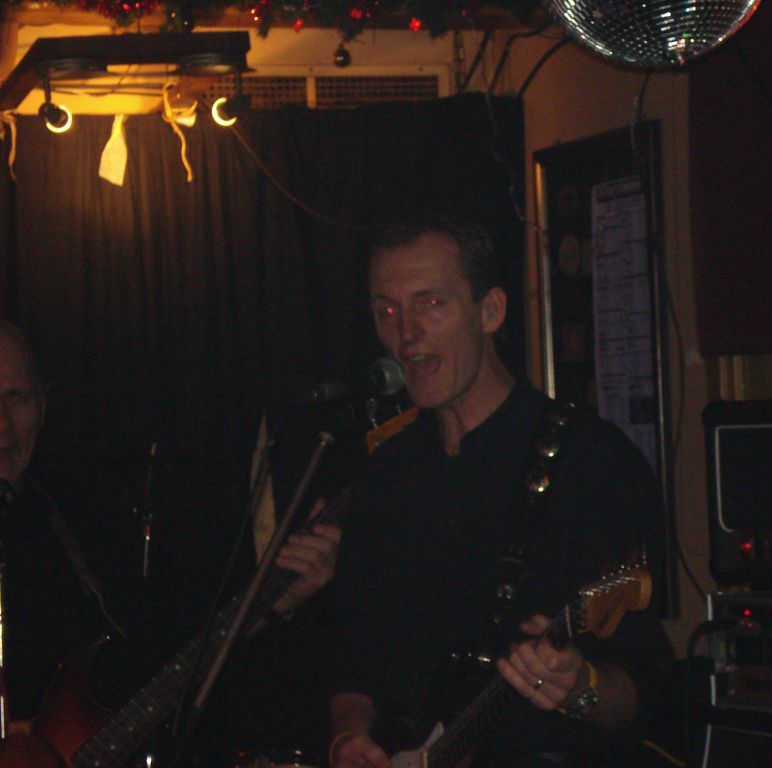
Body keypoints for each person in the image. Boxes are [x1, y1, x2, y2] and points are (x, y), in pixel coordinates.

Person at [328, 214, 674, 768]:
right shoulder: (383, 474)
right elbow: (353, 664)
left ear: (490, 311)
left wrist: (579, 688)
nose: (406, 333)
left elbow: (645, 691)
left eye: (429, 303)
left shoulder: (590, 461)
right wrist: (348, 737)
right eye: (386, 311)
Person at [0, 317, 340, 762]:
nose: (3, 424)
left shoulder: (74, 523)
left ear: (44, 404)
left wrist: (276, 600)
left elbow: (172, 658)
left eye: (17, 398)